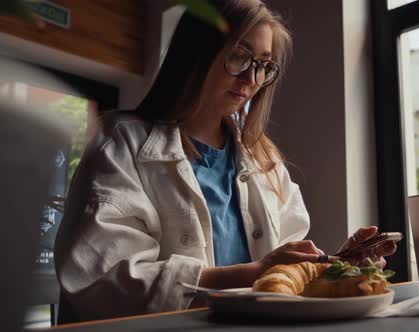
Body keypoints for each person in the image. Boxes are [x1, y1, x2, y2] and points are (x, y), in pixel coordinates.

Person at [54, 0, 397, 323]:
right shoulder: (122, 140)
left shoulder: (265, 158)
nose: (252, 79)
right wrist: (256, 272)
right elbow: (101, 278)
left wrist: (333, 267)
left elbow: (283, 277)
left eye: (264, 65)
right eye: (239, 56)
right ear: (196, 53)